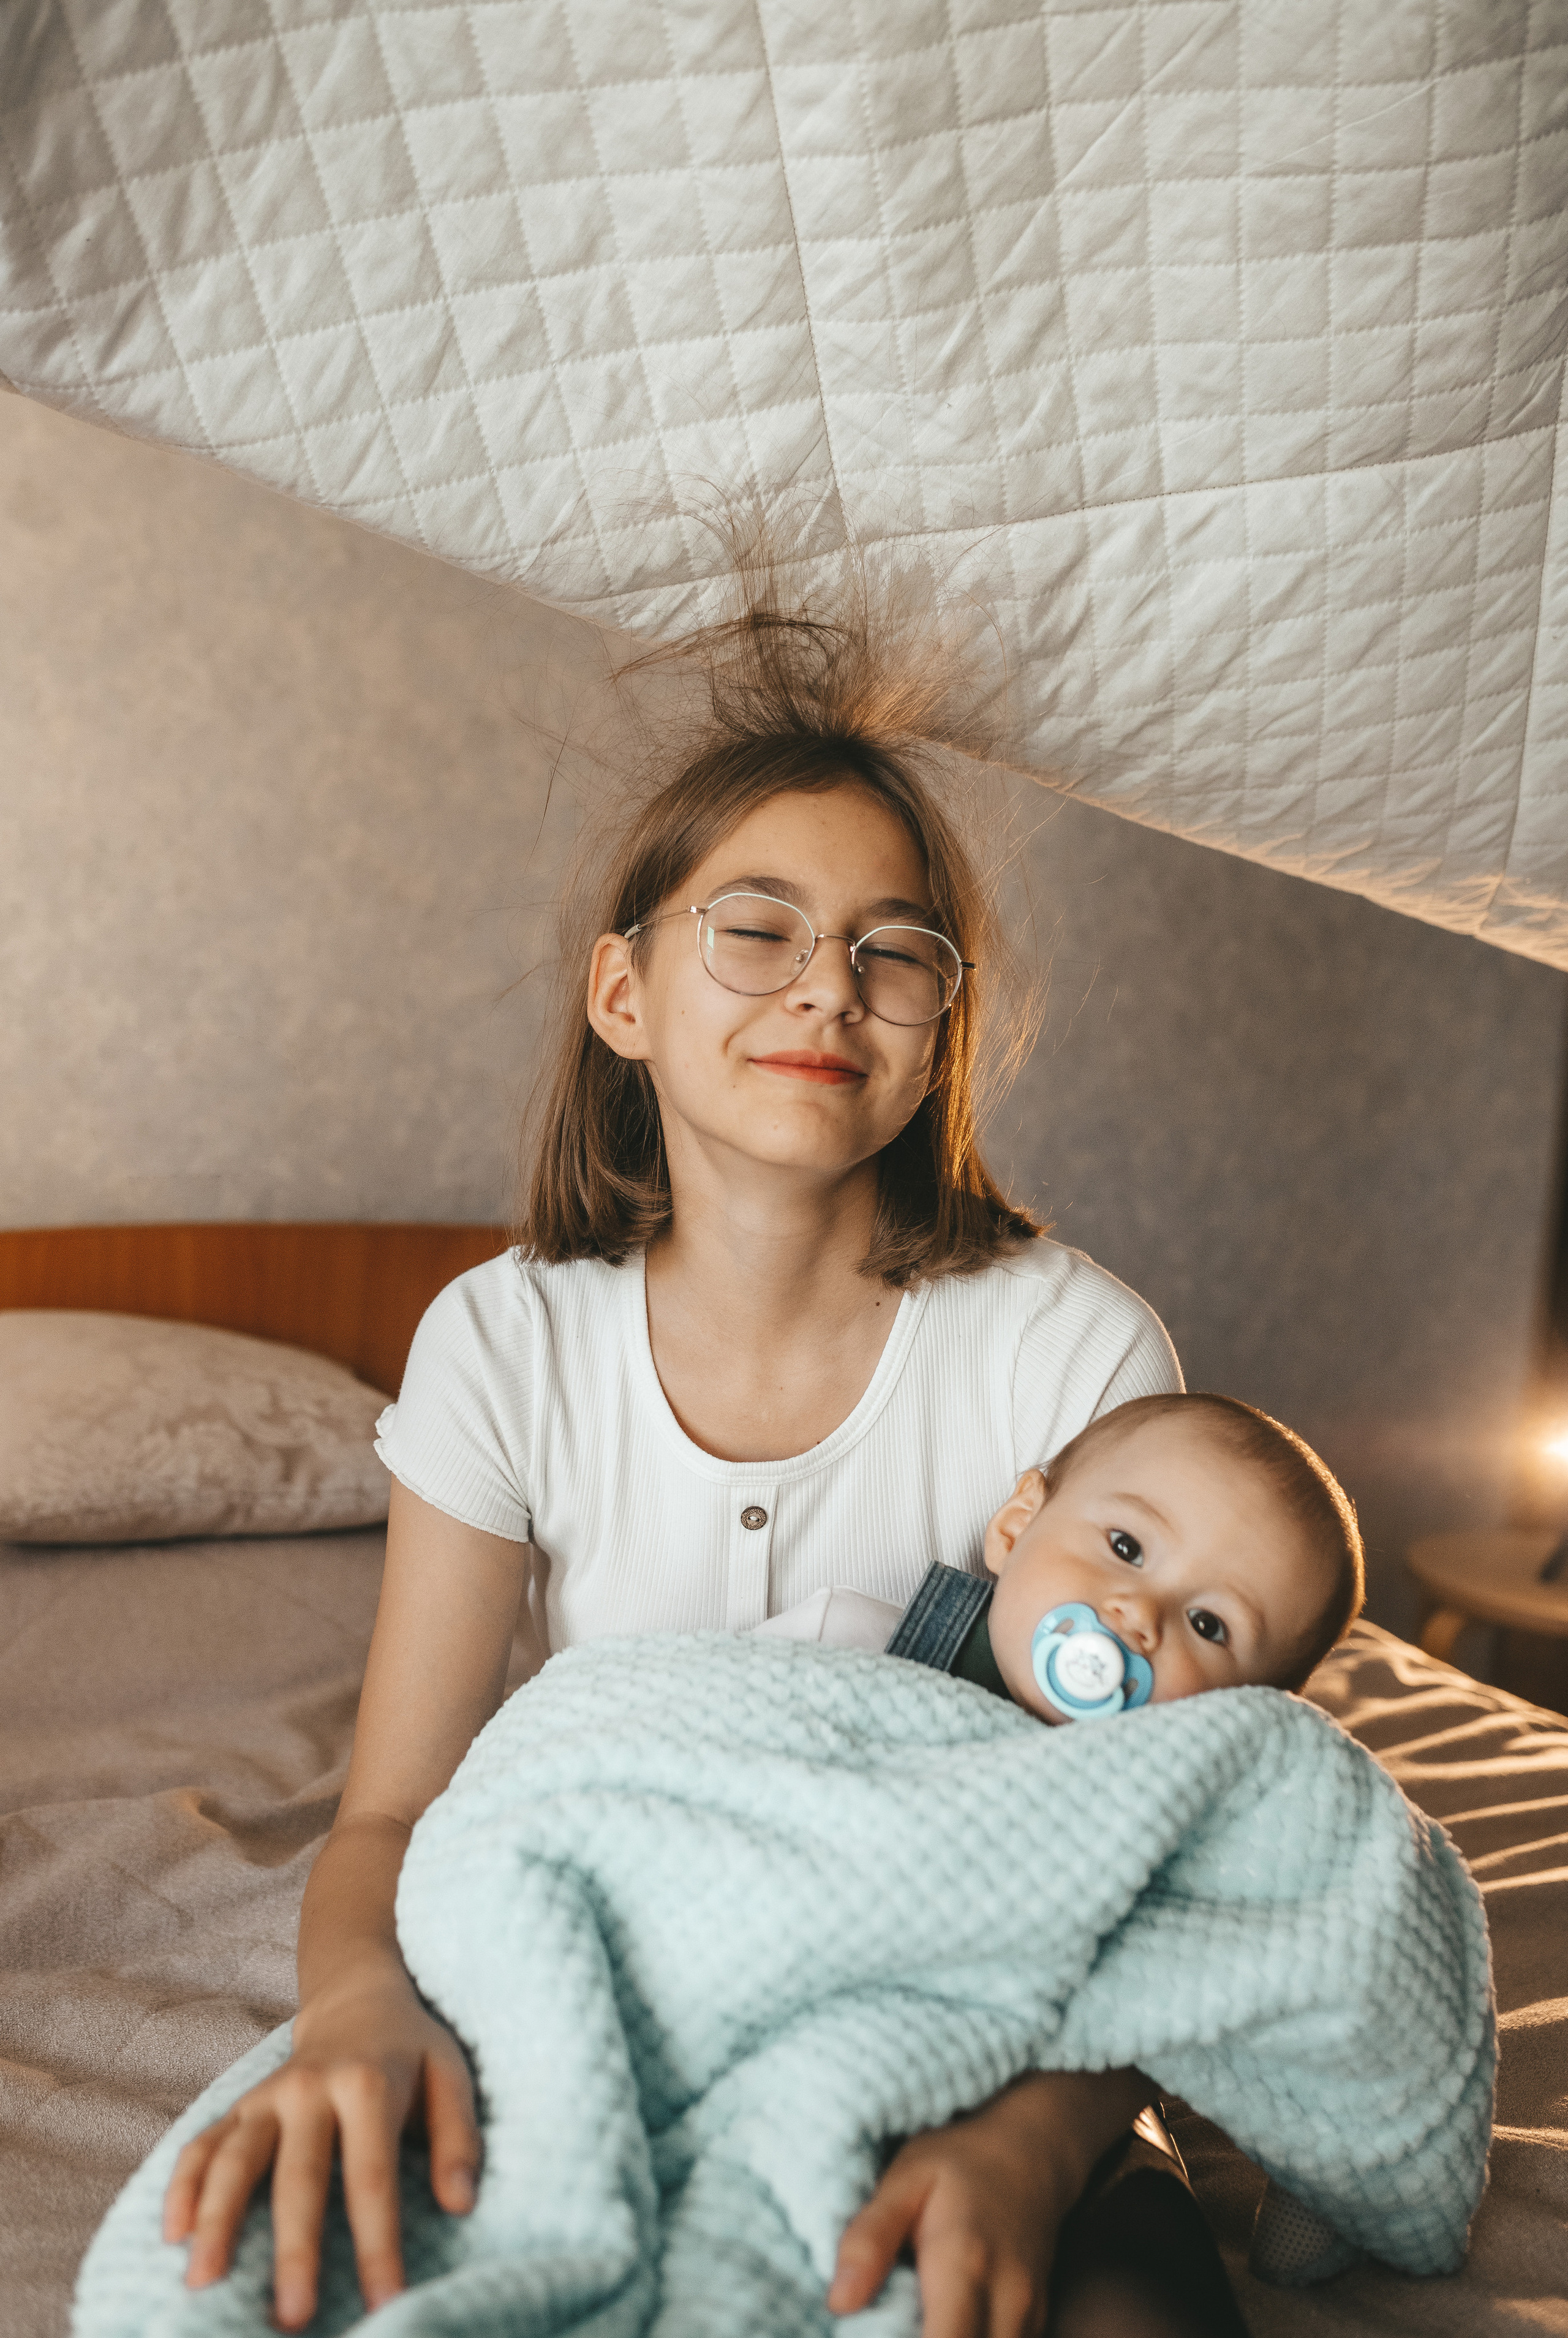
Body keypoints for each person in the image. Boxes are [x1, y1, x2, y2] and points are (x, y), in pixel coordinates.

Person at [164, 559, 1270, 2337]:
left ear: (937, 1031)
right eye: (755, 929)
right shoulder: (505, 1342)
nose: (826, 985)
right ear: (624, 995)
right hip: (643, 2017)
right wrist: (361, 2013)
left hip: (985, 2042)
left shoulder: (1076, 1351)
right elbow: (389, 1813)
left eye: (891, 951)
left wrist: (1034, 2152)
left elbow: (1165, 1847)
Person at [766, 1390, 1366, 1724]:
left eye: (1208, 1625)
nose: (1138, 1613)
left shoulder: (1188, 1817)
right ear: (1015, 1527)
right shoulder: (842, 1645)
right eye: (1126, 1547)